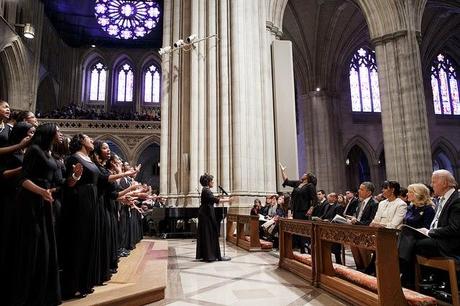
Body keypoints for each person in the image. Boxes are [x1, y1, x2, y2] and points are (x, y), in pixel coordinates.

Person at [9, 123, 63, 305]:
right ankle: (27, 294)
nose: (60, 134)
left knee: (46, 247)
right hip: (30, 202)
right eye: (58, 131)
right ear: (49, 133)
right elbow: (23, 179)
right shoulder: (34, 150)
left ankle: (43, 292)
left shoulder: (49, 153)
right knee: (33, 246)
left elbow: (54, 180)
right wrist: (42, 191)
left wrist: (73, 179)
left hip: (44, 201)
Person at [399, 170, 460, 288]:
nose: (431, 185)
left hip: (450, 243)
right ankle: (413, 277)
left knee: (413, 243)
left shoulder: (456, 200)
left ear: (445, 183)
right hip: (438, 238)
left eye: (434, 182)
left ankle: (411, 278)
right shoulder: (443, 199)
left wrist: (430, 232)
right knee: (407, 236)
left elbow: (455, 229)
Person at [279, 163, 317, 253]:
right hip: (296, 210)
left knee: (303, 230)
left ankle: (307, 249)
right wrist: (283, 170)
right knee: (297, 230)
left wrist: (311, 208)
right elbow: (287, 181)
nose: (303, 174)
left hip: (304, 211)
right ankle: (301, 250)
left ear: (307, 177)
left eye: (305, 174)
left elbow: (314, 199)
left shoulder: (310, 186)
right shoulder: (298, 183)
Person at [196, 173, 232, 262]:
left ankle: (209, 254)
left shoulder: (206, 190)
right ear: (208, 182)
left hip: (206, 214)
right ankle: (210, 255)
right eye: (212, 181)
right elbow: (215, 200)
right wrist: (228, 200)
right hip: (206, 215)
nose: (213, 182)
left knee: (208, 234)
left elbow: (211, 198)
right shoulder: (206, 190)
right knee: (209, 234)